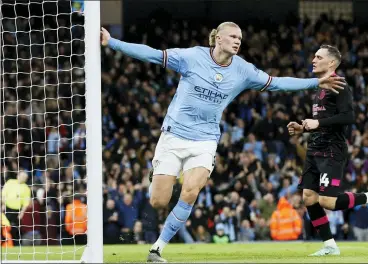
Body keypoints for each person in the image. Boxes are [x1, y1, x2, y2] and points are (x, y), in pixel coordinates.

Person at [101, 22, 346, 262]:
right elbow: (152, 55)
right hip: (174, 135)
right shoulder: (192, 57)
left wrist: (315, 82)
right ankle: (159, 177)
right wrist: (112, 42)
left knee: (190, 190)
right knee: (158, 201)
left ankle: (157, 249)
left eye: (240, 38)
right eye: (232, 36)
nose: (237, 41)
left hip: (205, 140)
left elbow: (277, 82)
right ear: (218, 38)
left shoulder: (243, 70)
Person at [287, 45, 368, 256]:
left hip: (332, 149)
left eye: (319, 57)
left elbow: (348, 117)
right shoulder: (319, 87)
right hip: (315, 146)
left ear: (332, 63)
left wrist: (317, 124)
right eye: (314, 56)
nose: (313, 60)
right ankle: (329, 245)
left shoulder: (340, 85)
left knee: (327, 201)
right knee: (308, 197)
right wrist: (304, 127)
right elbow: (323, 121)